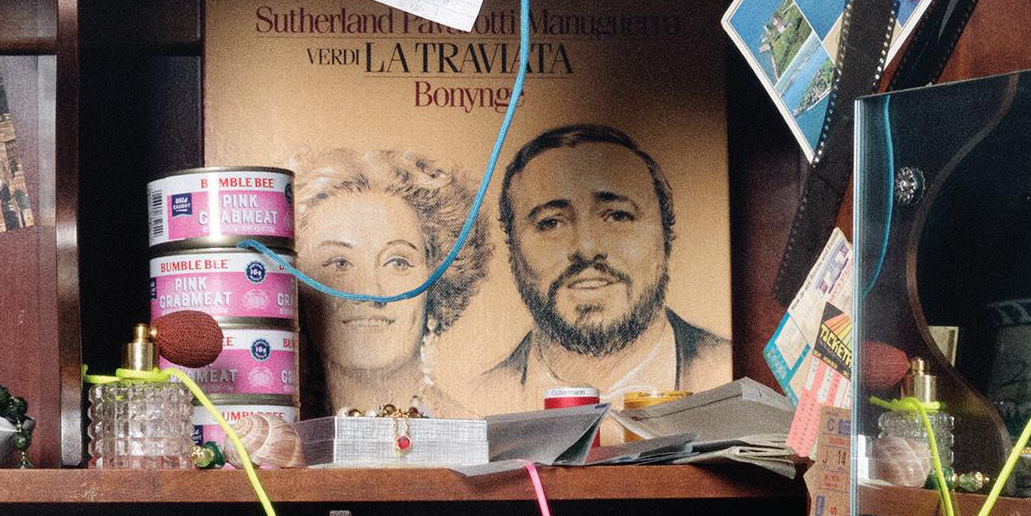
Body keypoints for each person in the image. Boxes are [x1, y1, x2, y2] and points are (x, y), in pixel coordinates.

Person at [464, 125, 724, 402]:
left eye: (618, 216)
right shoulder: (473, 401)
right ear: (512, 247)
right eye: (551, 223)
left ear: (666, 234)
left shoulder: (725, 370)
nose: (587, 249)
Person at [291, 149, 484, 414]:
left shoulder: (465, 428)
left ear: (437, 283)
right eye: (340, 263)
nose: (370, 291)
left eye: (397, 262)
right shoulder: (277, 431)